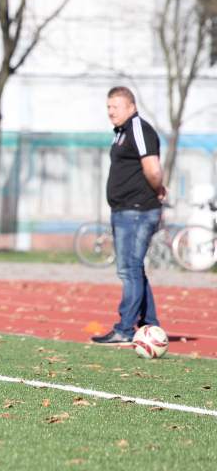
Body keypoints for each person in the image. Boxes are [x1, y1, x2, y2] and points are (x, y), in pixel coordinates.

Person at [91, 86, 166, 344]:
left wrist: (158, 189)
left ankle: (125, 328)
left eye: (115, 106)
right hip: (124, 210)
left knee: (129, 269)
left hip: (137, 211)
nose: (110, 111)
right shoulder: (121, 133)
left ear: (131, 107)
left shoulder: (138, 129)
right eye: (108, 107)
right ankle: (149, 324)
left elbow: (152, 168)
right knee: (133, 268)